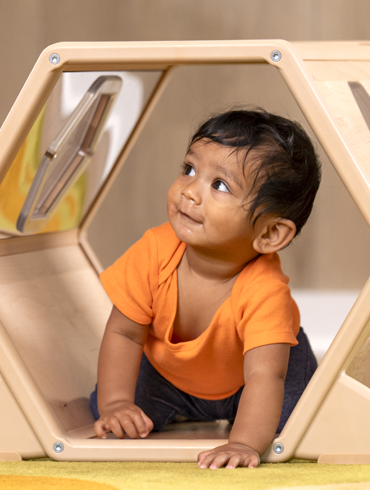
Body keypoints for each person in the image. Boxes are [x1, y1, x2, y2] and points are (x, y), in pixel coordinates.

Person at [90, 109, 321, 469]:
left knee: (300, 419)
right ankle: (176, 409)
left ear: (270, 233)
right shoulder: (153, 251)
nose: (189, 192)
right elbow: (124, 333)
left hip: (252, 379)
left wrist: (244, 443)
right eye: (189, 169)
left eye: (220, 185)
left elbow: (264, 375)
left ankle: (245, 422)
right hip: (170, 375)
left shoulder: (265, 289)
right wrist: (116, 403)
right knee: (108, 410)